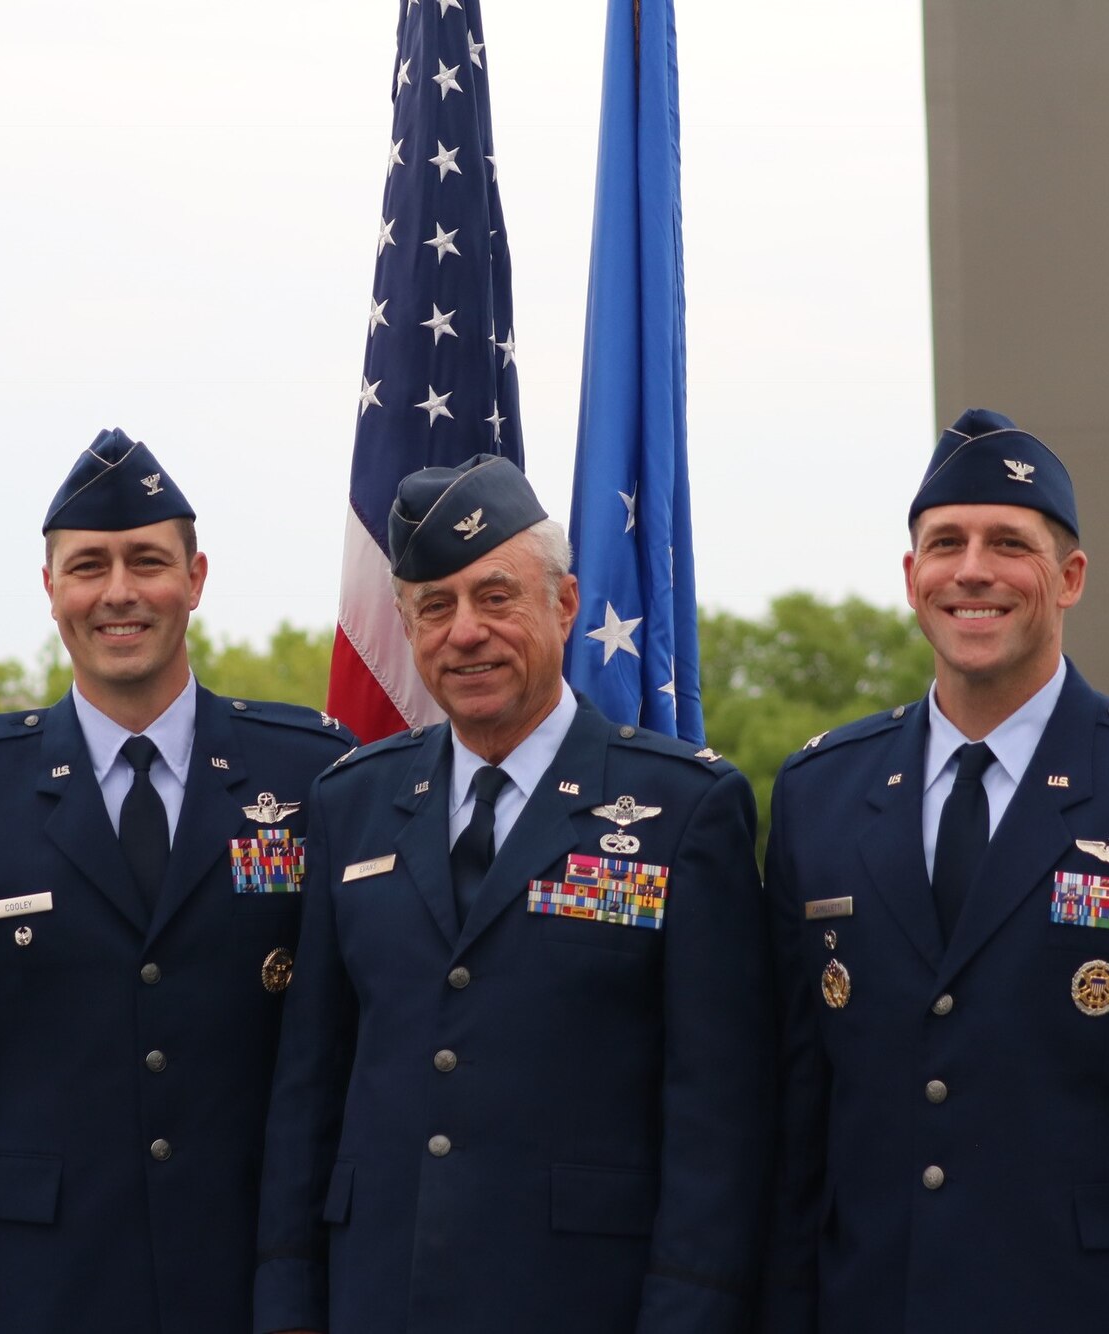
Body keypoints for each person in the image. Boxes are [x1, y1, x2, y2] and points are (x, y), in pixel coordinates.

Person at [758, 409, 1109, 1333]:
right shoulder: (822, 792)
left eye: (1009, 542)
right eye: (945, 544)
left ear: (1070, 577)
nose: (972, 570)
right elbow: (796, 1116)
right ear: (910, 577)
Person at [254, 454, 773, 1334]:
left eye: (496, 598)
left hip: (583, 1302)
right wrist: (288, 1307)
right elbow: (310, 1089)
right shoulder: (354, 804)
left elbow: (718, 1124)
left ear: (564, 605)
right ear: (410, 632)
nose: (466, 632)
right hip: (379, 1297)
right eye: (434, 607)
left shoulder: (684, 810)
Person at [0, 428, 357, 1333]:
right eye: (88, 567)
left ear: (197, 579)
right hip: (41, 1286)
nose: (120, 593)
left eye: (147, 562)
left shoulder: (312, 776)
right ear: (51, 589)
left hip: (260, 1282)